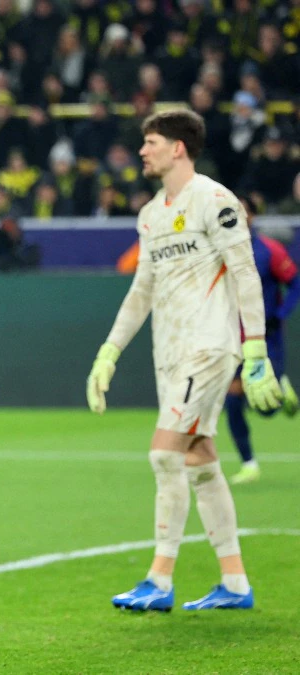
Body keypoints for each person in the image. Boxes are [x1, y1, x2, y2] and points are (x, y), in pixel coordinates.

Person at [86, 110, 282, 612]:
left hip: (209, 346)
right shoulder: (151, 215)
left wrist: (255, 349)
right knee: (198, 460)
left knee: (164, 454)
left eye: (150, 142)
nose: (142, 151)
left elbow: (244, 273)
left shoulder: (215, 200)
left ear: (178, 148)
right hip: (168, 352)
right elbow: (141, 290)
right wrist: (110, 350)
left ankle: (159, 578)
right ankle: (235, 583)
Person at [223, 195, 300, 485]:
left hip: (265, 338)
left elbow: (295, 283)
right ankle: (248, 463)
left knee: (265, 407)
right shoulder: (220, 252)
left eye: (241, 212)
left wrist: (280, 314)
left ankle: (281, 390)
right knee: (232, 400)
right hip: (233, 339)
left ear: (252, 217)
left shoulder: (269, 251)